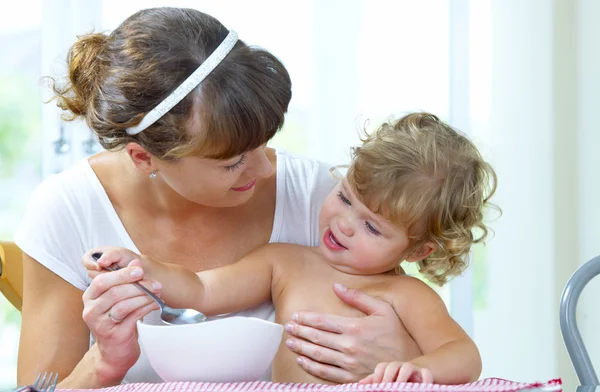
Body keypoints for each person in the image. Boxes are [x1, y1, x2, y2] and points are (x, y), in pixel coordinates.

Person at [15, 7, 426, 388]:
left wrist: (399, 354)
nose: (266, 170)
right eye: (232, 163)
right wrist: (105, 363)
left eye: (264, 143)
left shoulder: (324, 203)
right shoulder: (68, 209)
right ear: (144, 158)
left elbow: (411, 333)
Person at [85, 112, 497, 384]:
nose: (344, 225)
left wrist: (416, 370)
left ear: (418, 251)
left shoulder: (407, 295)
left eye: (372, 227)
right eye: (346, 197)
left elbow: (463, 355)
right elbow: (201, 291)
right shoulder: (285, 261)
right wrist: (144, 269)